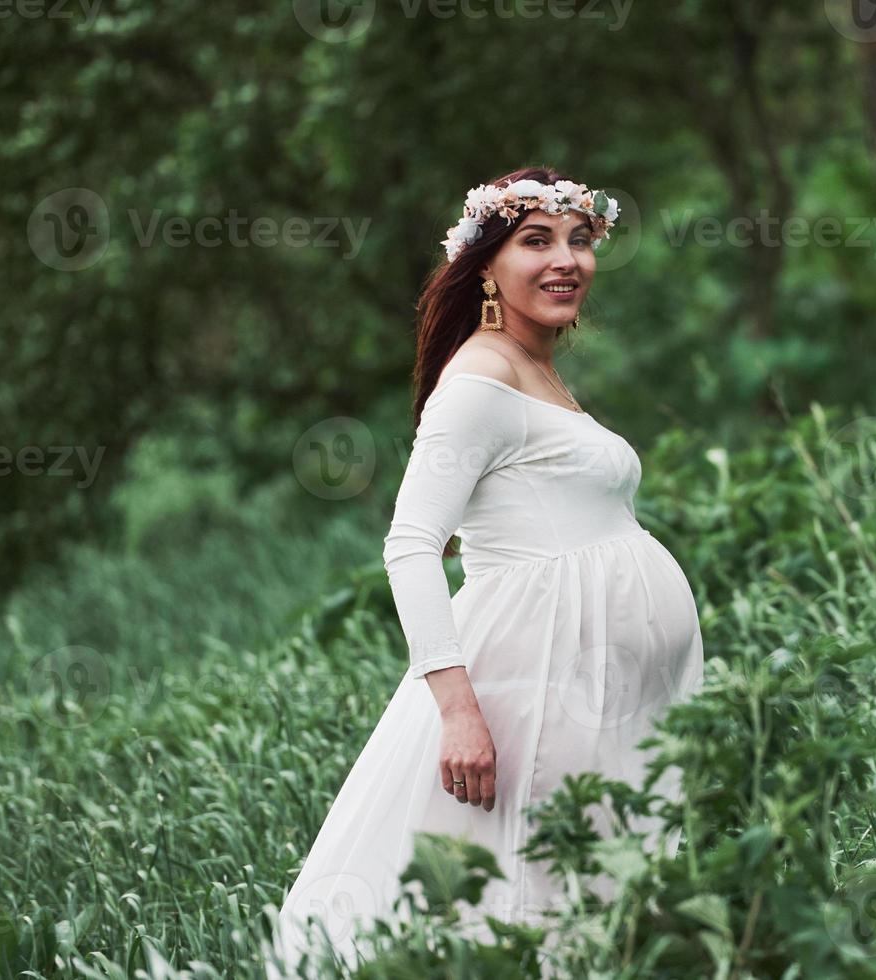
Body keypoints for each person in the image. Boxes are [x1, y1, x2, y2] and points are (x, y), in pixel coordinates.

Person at [264, 167, 704, 976]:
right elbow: (409, 546)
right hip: (537, 683)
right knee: (550, 889)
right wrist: (459, 712)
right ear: (487, 266)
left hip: (595, 685)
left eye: (579, 239)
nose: (564, 259)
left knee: (597, 883)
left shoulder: (538, 374)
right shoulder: (479, 380)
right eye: (535, 241)